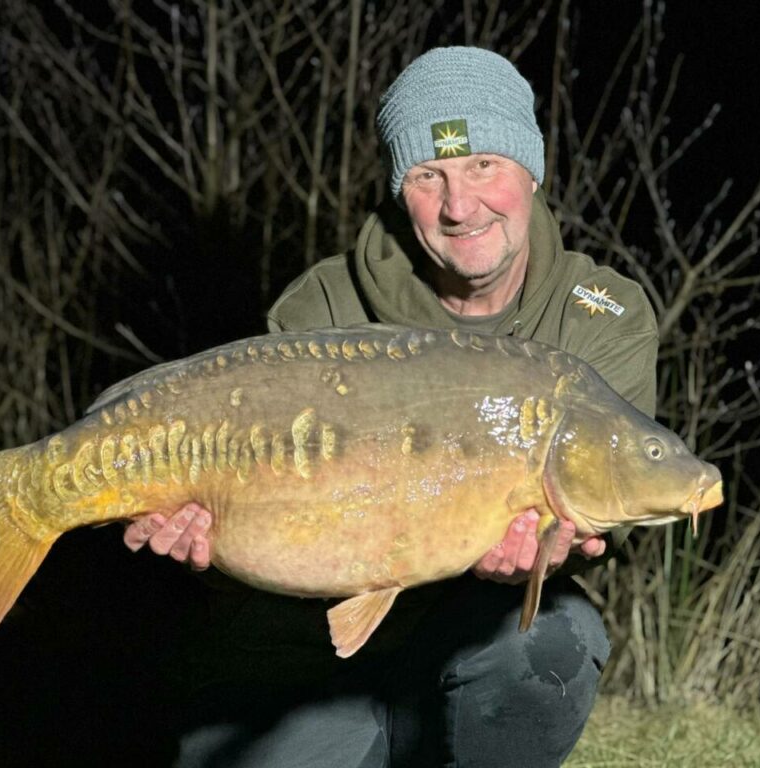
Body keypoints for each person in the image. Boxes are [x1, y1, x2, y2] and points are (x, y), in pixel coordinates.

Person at [125, 47, 658, 767]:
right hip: (305, 642)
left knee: (549, 641)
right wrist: (203, 540)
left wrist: (560, 545)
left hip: (474, 632)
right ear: (398, 189)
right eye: (427, 173)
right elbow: (256, 514)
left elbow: (609, 498)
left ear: (532, 169)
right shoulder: (321, 307)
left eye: (483, 166)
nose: (459, 205)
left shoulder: (600, 313)